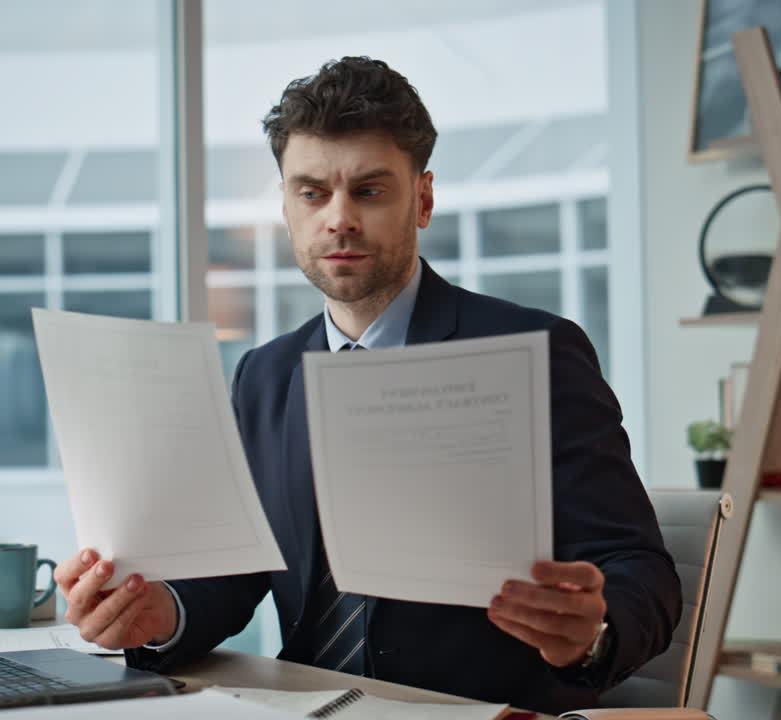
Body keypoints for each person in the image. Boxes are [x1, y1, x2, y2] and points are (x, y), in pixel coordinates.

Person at [54, 56, 681, 714]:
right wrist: (162, 614)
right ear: (288, 208)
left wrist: (592, 634)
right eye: (312, 193)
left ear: (424, 199)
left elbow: (641, 570)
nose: (339, 218)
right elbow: (234, 573)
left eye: (370, 191)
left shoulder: (536, 351)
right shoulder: (265, 376)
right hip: (304, 706)